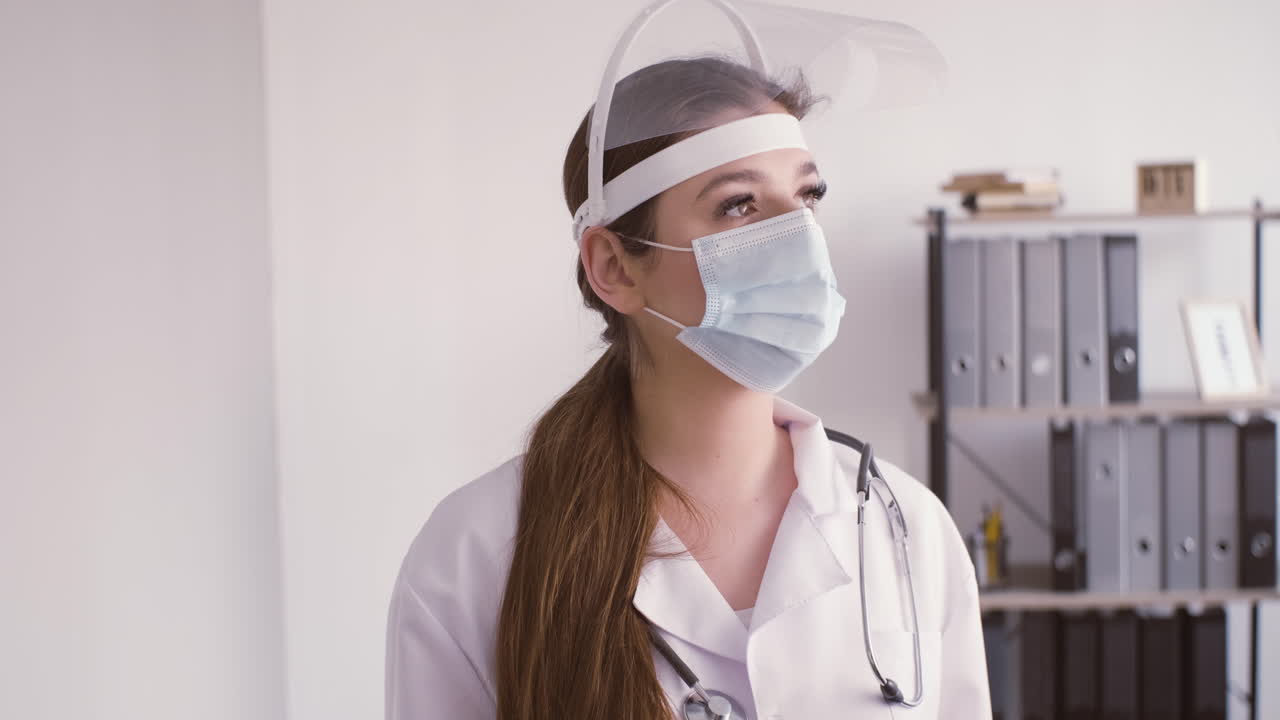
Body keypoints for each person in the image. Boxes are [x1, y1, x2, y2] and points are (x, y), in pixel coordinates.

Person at [386, 2, 989, 718]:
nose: (796, 236)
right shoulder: (476, 556)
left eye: (807, 195)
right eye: (737, 206)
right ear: (614, 266)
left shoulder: (907, 531)